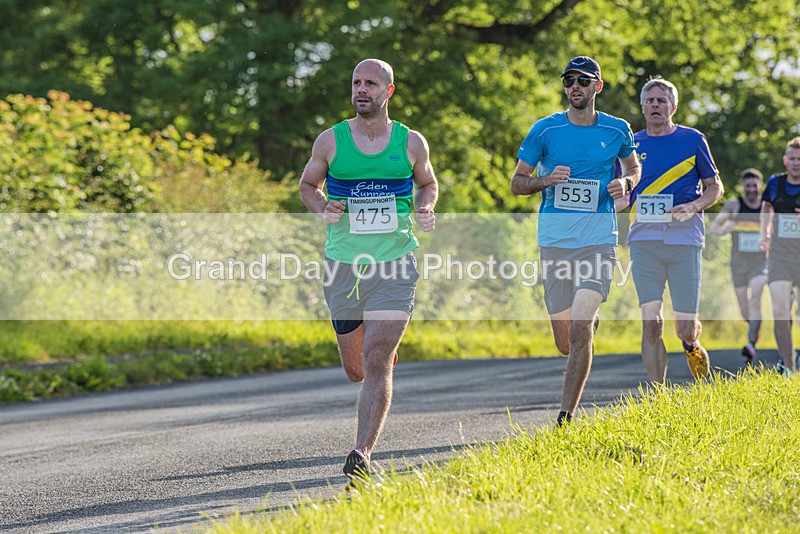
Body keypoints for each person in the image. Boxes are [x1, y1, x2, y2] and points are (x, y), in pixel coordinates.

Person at [298, 58, 438, 482]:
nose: (361, 89)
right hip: (343, 265)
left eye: (370, 83)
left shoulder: (411, 142)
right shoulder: (331, 140)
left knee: (376, 359)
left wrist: (426, 207)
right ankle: (381, 352)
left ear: (388, 91)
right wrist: (323, 208)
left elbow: (427, 183)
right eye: (356, 82)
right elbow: (307, 185)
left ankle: (362, 453)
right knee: (357, 368)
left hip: (396, 262)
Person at [510, 56, 641, 425]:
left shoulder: (617, 129)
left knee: (581, 327)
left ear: (597, 86)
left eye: (583, 81)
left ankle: (565, 416)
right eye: (569, 80)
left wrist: (626, 183)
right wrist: (545, 180)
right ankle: (584, 327)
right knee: (565, 341)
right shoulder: (545, 130)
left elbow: (633, 167)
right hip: (555, 242)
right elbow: (517, 183)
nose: (575, 87)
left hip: (598, 240)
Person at [625, 76, 724, 384]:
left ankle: (691, 345)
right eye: (650, 100)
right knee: (651, 322)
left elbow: (715, 187)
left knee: (685, 327)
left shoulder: (692, 139)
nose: (655, 105)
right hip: (644, 242)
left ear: (673, 107)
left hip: (684, 241)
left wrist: (694, 206)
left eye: (661, 100)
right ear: (643, 107)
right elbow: (623, 195)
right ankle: (658, 396)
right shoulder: (631, 145)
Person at [710, 168, 768, 363]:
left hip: (760, 261)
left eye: (755, 186)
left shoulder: (766, 206)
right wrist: (724, 229)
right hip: (738, 262)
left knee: (756, 297)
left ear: (761, 186)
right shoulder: (734, 205)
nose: (751, 189)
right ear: (743, 186)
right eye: (748, 186)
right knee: (745, 309)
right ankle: (754, 329)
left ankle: (751, 344)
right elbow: (715, 227)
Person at [759, 137, 800, 375]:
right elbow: (766, 207)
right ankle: (788, 364)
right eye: (792, 159)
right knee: (780, 309)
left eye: (799, 159)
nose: (796, 163)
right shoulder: (776, 183)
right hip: (779, 256)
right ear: (785, 160)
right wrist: (764, 232)